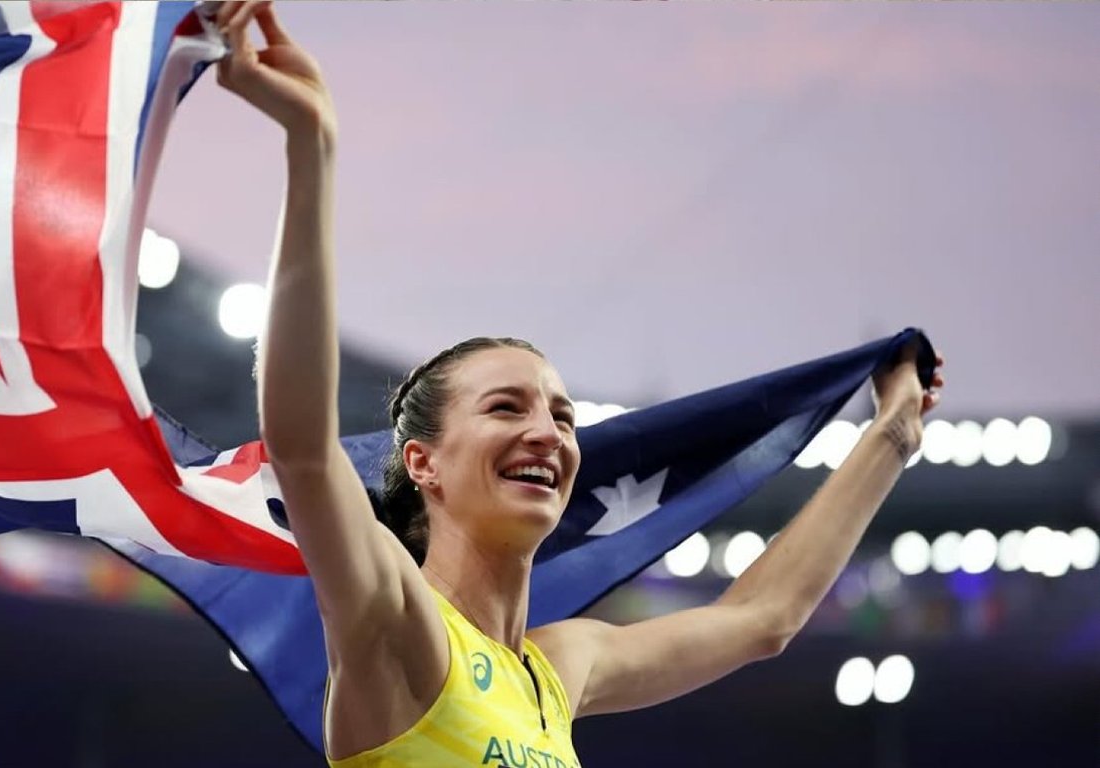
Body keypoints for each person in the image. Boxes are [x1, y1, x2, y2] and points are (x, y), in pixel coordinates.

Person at [212, 3, 947, 765]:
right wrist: (312, 146)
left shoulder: (558, 670)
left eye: (563, 418)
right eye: (506, 407)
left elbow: (765, 618)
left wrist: (893, 433)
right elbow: (302, 449)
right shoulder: (399, 623)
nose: (548, 434)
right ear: (423, 462)